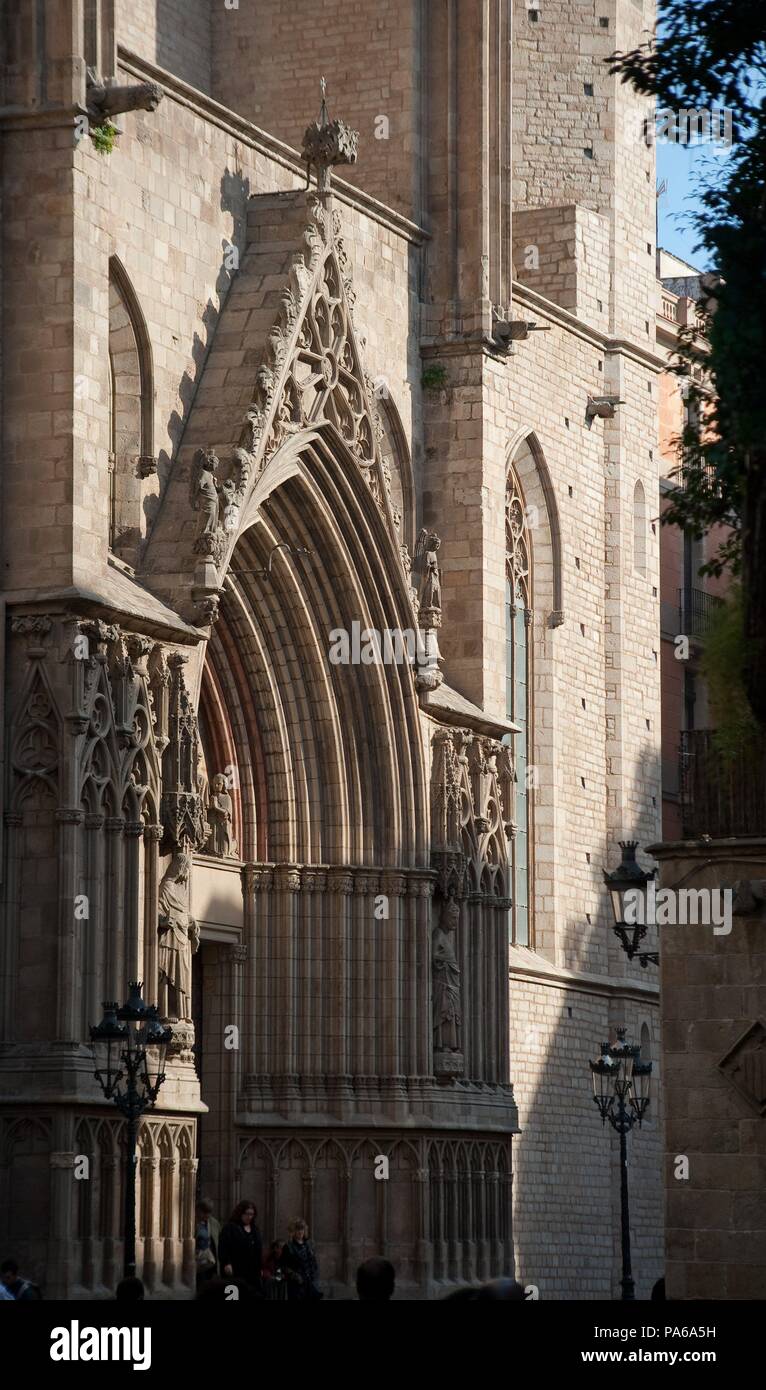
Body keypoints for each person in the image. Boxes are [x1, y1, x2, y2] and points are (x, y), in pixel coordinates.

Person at [218, 1200, 263, 1294]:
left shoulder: (255, 1229)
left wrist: (260, 1268)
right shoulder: (230, 1228)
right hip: (235, 1270)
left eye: (252, 1214)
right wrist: (226, 1263)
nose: (249, 1217)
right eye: (247, 1214)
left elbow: (259, 1250)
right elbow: (223, 1247)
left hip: (252, 1271)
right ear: (240, 1213)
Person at [279, 1218, 322, 1301]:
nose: (300, 1232)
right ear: (293, 1231)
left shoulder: (309, 1245)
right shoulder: (288, 1247)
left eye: (302, 1229)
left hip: (310, 1283)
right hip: (296, 1285)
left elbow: (313, 1262)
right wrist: (295, 1276)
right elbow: (283, 1265)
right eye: (298, 1229)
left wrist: (314, 1276)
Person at [195, 1198, 221, 1282]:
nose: (207, 1215)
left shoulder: (214, 1223)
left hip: (210, 1261)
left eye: (209, 1212)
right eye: (204, 1212)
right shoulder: (192, 1222)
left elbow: (218, 1241)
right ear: (198, 1210)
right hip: (197, 1262)